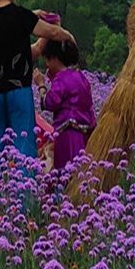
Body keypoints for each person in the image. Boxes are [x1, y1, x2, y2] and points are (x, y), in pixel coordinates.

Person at [0, 0, 74, 207]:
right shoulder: (20, 16)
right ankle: (25, 207)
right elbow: (51, 33)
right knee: (24, 147)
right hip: (19, 92)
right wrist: (67, 35)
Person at [38, 38, 95, 202]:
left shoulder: (61, 79)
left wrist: (41, 85)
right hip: (84, 135)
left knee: (64, 174)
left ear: (54, 58)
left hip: (66, 136)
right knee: (81, 173)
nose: (47, 65)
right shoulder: (80, 77)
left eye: (47, 60)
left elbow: (49, 103)